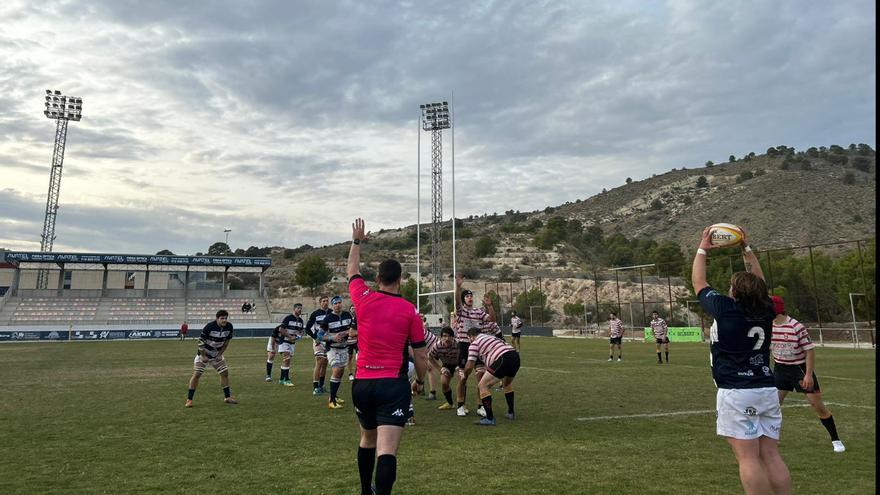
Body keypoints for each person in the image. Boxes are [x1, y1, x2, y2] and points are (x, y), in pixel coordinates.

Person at [692, 226, 791, 495]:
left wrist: (703, 247)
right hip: (766, 387)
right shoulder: (766, 307)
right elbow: (759, 282)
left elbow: (699, 283)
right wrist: (745, 248)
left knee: (748, 457)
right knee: (770, 455)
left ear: (734, 292)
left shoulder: (725, 309)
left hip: (737, 391)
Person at [347, 218, 428, 495]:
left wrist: (356, 241)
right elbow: (420, 353)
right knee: (387, 449)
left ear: (378, 278)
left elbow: (352, 270)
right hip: (392, 385)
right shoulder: (409, 310)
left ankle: (363, 490)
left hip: (362, 384)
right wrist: (419, 380)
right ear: (401, 279)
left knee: (367, 438)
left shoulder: (363, 297)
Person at [770, 295, 845, 453]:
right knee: (772, 406)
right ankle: (771, 440)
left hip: (799, 369)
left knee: (817, 406)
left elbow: (809, 351)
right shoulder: (767, 325)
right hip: (780, 369)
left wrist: (808, 375)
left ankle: (836, 439)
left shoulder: (796, 326)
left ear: (776, 309)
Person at [453, 274, 496, 416]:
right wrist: (458, 287)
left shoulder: (479, 312)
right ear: (464, 299)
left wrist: (490, 306)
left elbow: (492, 320)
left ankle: (480, 406)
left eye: (471, 296)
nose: (470, 298)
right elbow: (457, 302)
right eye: (467, 296)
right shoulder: (461, 311)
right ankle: (460, 405)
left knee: (481, 376)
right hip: (464, 346)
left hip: (478, 347)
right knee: (463, 376)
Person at [463, 327, 520, 425]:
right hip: (515, 356)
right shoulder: (490, 337)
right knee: (506, 384)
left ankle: (489, 418)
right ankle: (511, 413)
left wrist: (465, 376)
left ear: (471, 336)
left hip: (502, 358)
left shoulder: (474, 343)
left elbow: (469, 366)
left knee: (482, 385)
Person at [185, 310, 237, 407]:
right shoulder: (210, 326)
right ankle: (189, 400)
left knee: (224, 373)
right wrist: (203, 356)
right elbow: (200, 342)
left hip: (216, 354)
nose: (224, 320)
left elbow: (226, 343)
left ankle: (227, 397)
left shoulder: (229, 327)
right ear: (217, 319)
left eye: (225, 318)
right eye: (222, 318)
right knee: (197, 374)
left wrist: (220, 354)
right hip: (204, 354)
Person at [318, 295, 355, 409]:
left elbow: (352, 330)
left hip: (344, 347)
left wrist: (345, 333)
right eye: (335, 303)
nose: (338, 305)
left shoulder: (347, 315)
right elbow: (319, 336)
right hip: (332, 348)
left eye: (339, 303)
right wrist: (331, 338)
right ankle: (332, 400)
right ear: (332, 305)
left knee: (340, 372)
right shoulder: (328, 318)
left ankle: (334, 395)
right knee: (337, 369)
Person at [267, 303, 304, 385]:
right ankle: (286, 379)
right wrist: (290, 336)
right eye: (298, 308)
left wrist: (299, 336)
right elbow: (281, 329)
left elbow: (301, 331)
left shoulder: (301, 321)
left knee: (287, 360)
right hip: (284, 341)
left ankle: (281, 379)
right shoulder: (288, 318)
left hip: (292, 343)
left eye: (301, 308)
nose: (300, 310)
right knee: (287, 358)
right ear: (294, 309)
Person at [430, 326, 461, 410]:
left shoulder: (458, 344)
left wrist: (461, 366)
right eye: (444, 336)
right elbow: (430, 357)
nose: (447, 338)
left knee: (461, 381)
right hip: (446, 364)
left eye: (449, 336)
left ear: (453, 337)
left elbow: (466, 355)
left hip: (459, 363)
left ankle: (462, 405)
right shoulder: (437, 345)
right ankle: (450, 403)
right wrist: (439, 368)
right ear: (441, 337)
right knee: (444, 383)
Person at [305, 296, 332, 395]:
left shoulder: (332, 313)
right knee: (319, 361)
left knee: (325, 363)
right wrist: (315, 337)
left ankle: (321, 386)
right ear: (320, 303)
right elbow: (307, 329)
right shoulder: (315, 314)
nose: (325, 302)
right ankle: (315, 388)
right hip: (318, 341)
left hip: (328, 341)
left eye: (327, 301)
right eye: (323, 301)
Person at [347, 304, 359, 381]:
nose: (353, 309)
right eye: (352, 308)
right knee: (349, 357)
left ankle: (357, 374)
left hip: (357, 341)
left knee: (358, 358)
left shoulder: (359, 318)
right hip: (349, 342)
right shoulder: (347, 319)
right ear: (350, 310)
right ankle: (350, 374)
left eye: (355, 308)